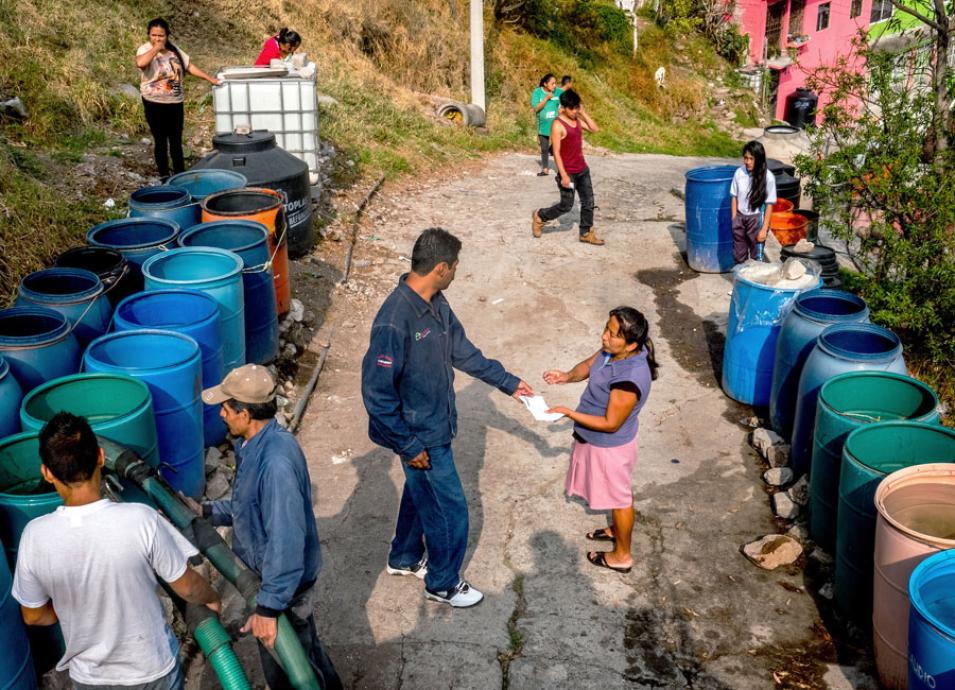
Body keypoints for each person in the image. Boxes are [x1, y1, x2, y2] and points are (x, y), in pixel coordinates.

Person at [361, 227, 534, 608]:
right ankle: (442, 582)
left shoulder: (436, 303)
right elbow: (376, 393)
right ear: (440, 268)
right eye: (455, 267)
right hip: (419, 435)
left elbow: (464, 352)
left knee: (420, 491)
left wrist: (509, 383)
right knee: (450, 510)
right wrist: (408, 444)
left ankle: (404, 557)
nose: (457, 272)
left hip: (437, 424)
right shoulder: (394, 321)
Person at [12, 412, 221, 690]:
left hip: (89, 678)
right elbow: (187, 587)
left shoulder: (34, 537)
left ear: (47, 473)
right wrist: (213, 597)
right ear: (100, 457)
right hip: (152, 670)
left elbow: (33, 615)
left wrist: (81, 611)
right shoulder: (140, 519)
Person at [200, 364, 342, 690]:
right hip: (279, 586)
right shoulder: (256, 445)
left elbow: (286, 539)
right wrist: (207, 510)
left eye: (225, 406)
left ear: (245, 414)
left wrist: (268, 608)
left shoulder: (275, 463)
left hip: (283, 591)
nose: (221, 413)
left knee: (291, 673)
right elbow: (250, 509)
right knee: (308, 655)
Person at [543, 307, 659, 573]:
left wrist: (569, 412)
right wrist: (567, 376)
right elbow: (589, 365)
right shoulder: (613, 352)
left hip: (610, 448)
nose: (605, 336)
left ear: (631, 344)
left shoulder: (629, 379)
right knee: (613, 493)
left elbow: (610, 423)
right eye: (606, 328)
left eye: (612, 333)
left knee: (620, 499)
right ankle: (616, 529)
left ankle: (622, 555)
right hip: (594, 439)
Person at [136, 18, 220, 180]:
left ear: (167, 35)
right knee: (160, 140)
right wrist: (156, 49)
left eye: (161, 36)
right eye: (153, 35)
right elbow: (141, 63)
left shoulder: (175, 50)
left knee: (175, 140)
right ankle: (164, 176)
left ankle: (180, 175)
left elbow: (189, 67)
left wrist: (210, 79)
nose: (157, 39)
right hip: (154, 102)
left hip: (175, 102)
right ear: (148, 35)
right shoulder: (145, 49)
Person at [531, 89, 604, 245]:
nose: (575, 111)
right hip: (568, 172)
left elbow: (594, 129)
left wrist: (583, 113)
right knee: (566, 206)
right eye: (573, 108)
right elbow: (556, 153)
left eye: (577, 107)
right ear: (563, 107)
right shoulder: (558, 125)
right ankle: (540, 216)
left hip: (582, 170)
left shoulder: (577, 119)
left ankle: (586, 232)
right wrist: (563, 175)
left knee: (588, 203)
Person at [731, 140, 777, 263]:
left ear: (759, 159)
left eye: (752, 158)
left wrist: (763, 229)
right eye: (746, 158)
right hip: (740, 218)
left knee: (757, 257)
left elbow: (769, 205)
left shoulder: (768, 177)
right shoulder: (739, 173)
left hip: (756, 219)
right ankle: (742, 280)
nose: (748, 162)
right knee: (739, 256)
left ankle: (755, 281)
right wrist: (734, 218)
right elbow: (734, 196)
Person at [531, 73, 563, 176]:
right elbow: (536, 108)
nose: (555, 86)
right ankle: (545, 169)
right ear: (545, 84)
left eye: (555, 83)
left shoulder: (558, 92)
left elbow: (567, 99)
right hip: (543, 126)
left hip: (556, 126)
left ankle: (560, 170)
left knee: (557, 148)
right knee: (544, 148)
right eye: (552, 83)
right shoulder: (537, 92)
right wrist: (546, 98)